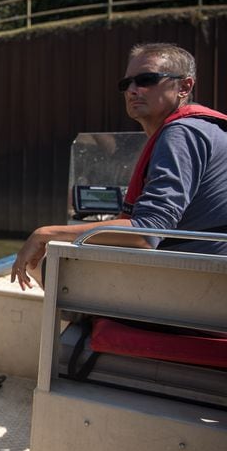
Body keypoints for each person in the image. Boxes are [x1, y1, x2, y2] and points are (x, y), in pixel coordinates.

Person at [12, 42, 227, 290]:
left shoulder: (181, 134)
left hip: (189, 286)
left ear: (184, 86)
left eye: (146, 79)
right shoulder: (207, 129)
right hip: (210, 276)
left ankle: (93, 326)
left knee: (44, 262)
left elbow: (147, 232)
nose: (133, 90)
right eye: (126, 84)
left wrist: (46, 233)